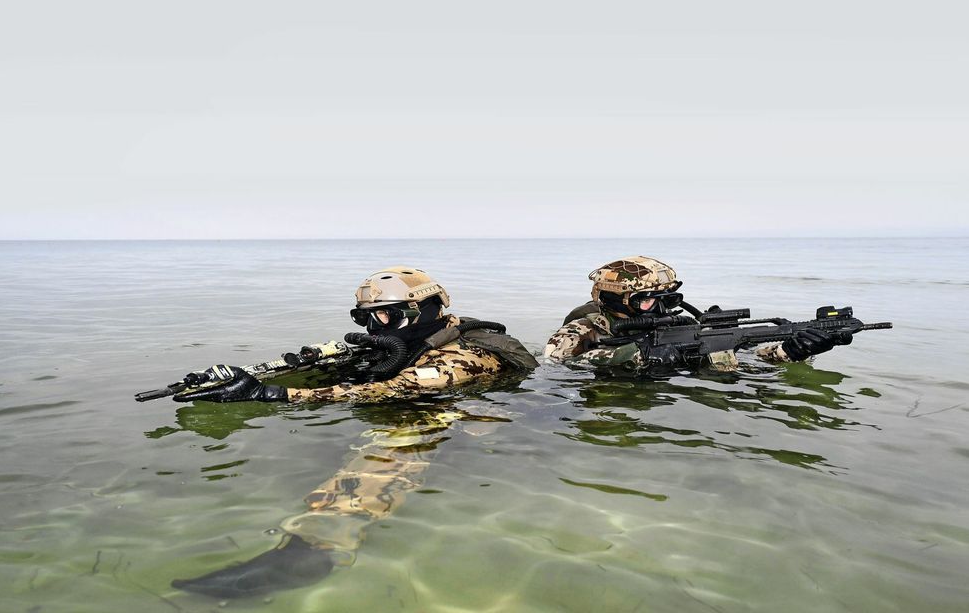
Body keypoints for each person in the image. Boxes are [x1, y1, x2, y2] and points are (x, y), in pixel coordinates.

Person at [170, 266, 537, 598]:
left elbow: (394, 389)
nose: (375, 328)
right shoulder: (407, 344)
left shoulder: (463, 356)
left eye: (385, 316)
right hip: (430, 402)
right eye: (367, 318)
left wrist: (275, 395)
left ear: (420, 311)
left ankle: (320, 544)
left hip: (482, 421)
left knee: (407, 435)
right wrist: (247, 379)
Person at [545, 256, 852, 373]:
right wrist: (636, 354)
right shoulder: (581, 329)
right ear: (617, 299)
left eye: (667, 298)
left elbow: (740, 357)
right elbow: (554, 364)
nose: (661, 308)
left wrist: (791, 351)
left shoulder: (678, 324)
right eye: (647, 300)